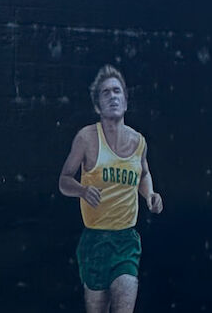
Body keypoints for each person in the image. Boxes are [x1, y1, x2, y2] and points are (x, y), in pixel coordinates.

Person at [59, 65, 164, 313]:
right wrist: (83, 191)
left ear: (126, 101)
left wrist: (150, 195)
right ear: (98, 106)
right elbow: (64, 180)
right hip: (94, 240)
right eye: (106, 93)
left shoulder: (139, 142)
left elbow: (144, 173)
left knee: (125, 293)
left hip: (125, 240)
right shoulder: (86, 138)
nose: (113, 96)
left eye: (117, 91)